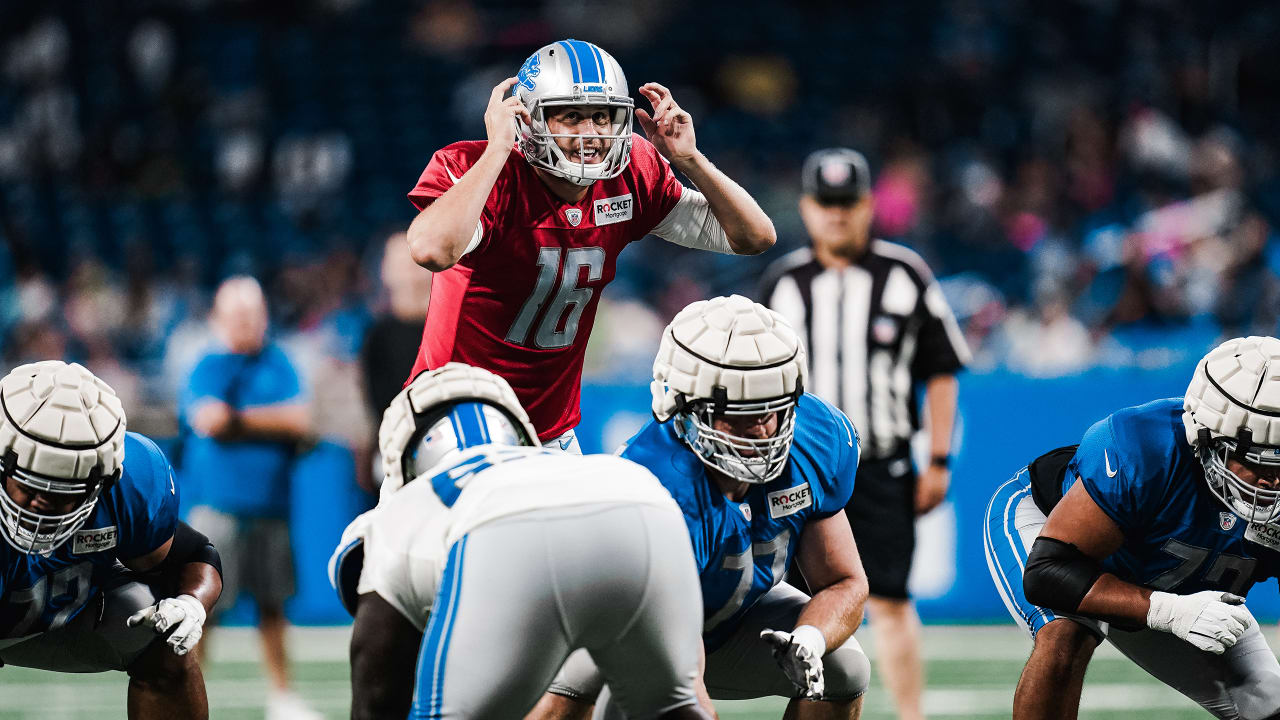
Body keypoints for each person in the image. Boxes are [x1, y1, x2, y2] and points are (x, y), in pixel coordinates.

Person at [404, 38, 776, 452]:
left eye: (602, 116)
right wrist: (496, 151)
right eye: (571, 117)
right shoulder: (479, 170)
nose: (591, 134)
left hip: (551, 434)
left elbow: (753, 236)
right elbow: (431, 250)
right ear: (527, 119)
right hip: (452, 423)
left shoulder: (632, 171)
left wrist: (690, 160)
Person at [534, 295, 871, 720]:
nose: (762, 431)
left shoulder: (815, 437)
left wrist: (811, 638)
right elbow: (684, 686)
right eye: (739, 414)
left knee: (844, 669)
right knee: (573, 688)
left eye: (774, 410)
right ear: (683, 409)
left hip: (728, 619)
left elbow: (844, 582)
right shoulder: (655, 487)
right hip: (614, 624)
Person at [328, 363, 710, 719]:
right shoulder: (552, 464)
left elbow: (376, 695)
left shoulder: (402, 513)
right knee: (672, 710)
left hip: (510, 536)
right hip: (641, 497)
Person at [762, 148, 969, 720]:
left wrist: (939, 459)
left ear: (868, 206)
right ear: (806, 209)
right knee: (796, 604)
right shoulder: (783, 283)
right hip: (796, 468)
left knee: (894, 600)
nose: (836, 216)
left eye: (847, 204)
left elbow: (942, 370)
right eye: (825, 205)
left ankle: (910, 717)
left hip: (880, 464)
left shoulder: (904, 275)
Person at [983, 335, 1280, 719]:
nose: (1272, 481)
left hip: (1175, 581)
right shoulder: (1144, 448)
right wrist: (1170, 611)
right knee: (1066, 635)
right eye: (1257, 462)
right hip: (1057, 537)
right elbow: (1048, 573)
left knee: (1267, 702)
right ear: (1207, 440)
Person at [0, 360, 222, 719]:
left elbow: (194, 554)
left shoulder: (130, 481)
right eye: (29, 483)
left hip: (65, 613)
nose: (41, 504)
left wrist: (192, 606)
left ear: (101, 479)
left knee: (161, 630)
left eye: (62, 492)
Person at [180, 276, 317, 720]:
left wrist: (240, 420)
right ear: (220, 319)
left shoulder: (279, 360)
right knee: (204, 612)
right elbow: (209, 421)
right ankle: (189, 695)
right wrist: (268, 422)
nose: (248, 323)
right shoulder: (209, 365)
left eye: (254, 314)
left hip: (271, 505)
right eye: (239, 315)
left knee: (273, 606)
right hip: (218, 508)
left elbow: (301, 421)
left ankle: (282, 697)